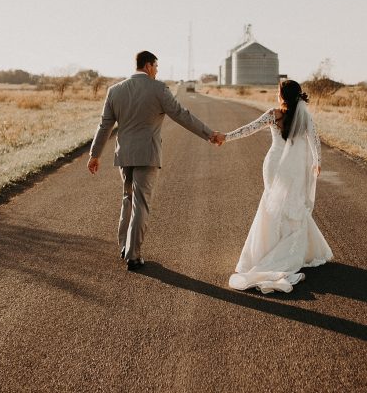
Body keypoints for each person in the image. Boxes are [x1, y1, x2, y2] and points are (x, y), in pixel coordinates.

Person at [88, 51, 225, 270]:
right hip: (147, 154)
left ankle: (124, 246)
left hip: (124, 155)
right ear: (149, 66)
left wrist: (94, 155)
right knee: (140, 203)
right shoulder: (158, 89)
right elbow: (182, 115)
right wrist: (209, 134)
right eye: (157, 67)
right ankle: (133, 255)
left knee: (128, 199)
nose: (157, 71)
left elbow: (104, 125)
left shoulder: (115, 91)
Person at [220, 79, 333, 293]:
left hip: (273, 165)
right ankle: (286, 249)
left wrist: (226, 137)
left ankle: (267, 249)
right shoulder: (304, 116)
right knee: (292, 205)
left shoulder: (273, 114)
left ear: (282, 96)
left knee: (272, 205)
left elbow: (248, 129)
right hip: (294, 169)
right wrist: (317, 163)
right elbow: (315, 140)